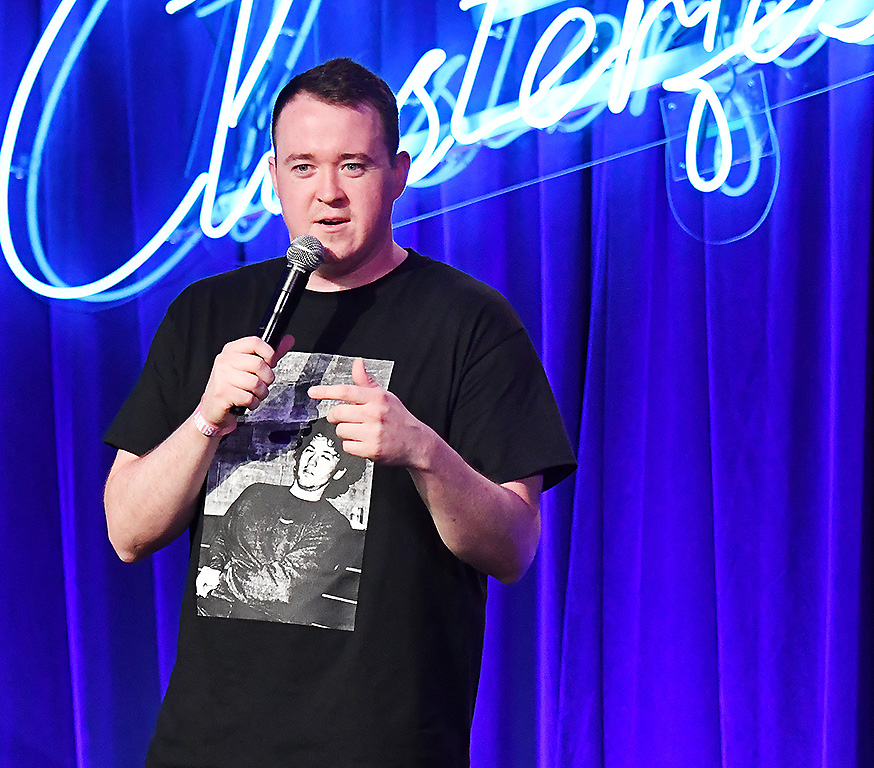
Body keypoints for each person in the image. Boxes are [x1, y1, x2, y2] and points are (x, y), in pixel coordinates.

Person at [103, 57, 575, 767]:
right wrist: (206, 419)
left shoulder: (471, 322)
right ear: (272, 179)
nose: (327, 195)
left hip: (385, 746)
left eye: (353, 166)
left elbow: (513, 548)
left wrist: (422, 450)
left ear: (398, 174)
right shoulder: (207, 314)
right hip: (208, 747)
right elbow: (127, 532)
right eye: (303, 167)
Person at [197, 418, 366, 629]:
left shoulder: (333, 527)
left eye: (325, 457)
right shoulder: (256, 492)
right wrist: (213, 568)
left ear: (340, 471)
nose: (312, 462)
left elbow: (282, 587)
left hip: (266, 626)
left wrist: (221, 580)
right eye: (310, 450)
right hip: (208, 607)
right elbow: (222, 536)